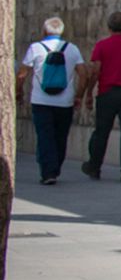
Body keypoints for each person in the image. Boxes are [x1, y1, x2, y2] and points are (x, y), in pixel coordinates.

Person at [17, 17, 86, 185]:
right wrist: (79, 96)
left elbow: (22, 74)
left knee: (45, 136)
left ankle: (48, 171)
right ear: (62, 32)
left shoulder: (35, 48)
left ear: (44, 31)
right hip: (65, 102)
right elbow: (84, 75)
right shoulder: (72, 49)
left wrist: (18, 91)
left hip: (41, 100)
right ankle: (55, 168)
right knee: (60, 136)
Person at [80, 10, 121, 183]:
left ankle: (94, 165)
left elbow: (96, 71)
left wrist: (89, 93)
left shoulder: (102, 46)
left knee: (101, 131)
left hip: (107, 92)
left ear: (109, 27)